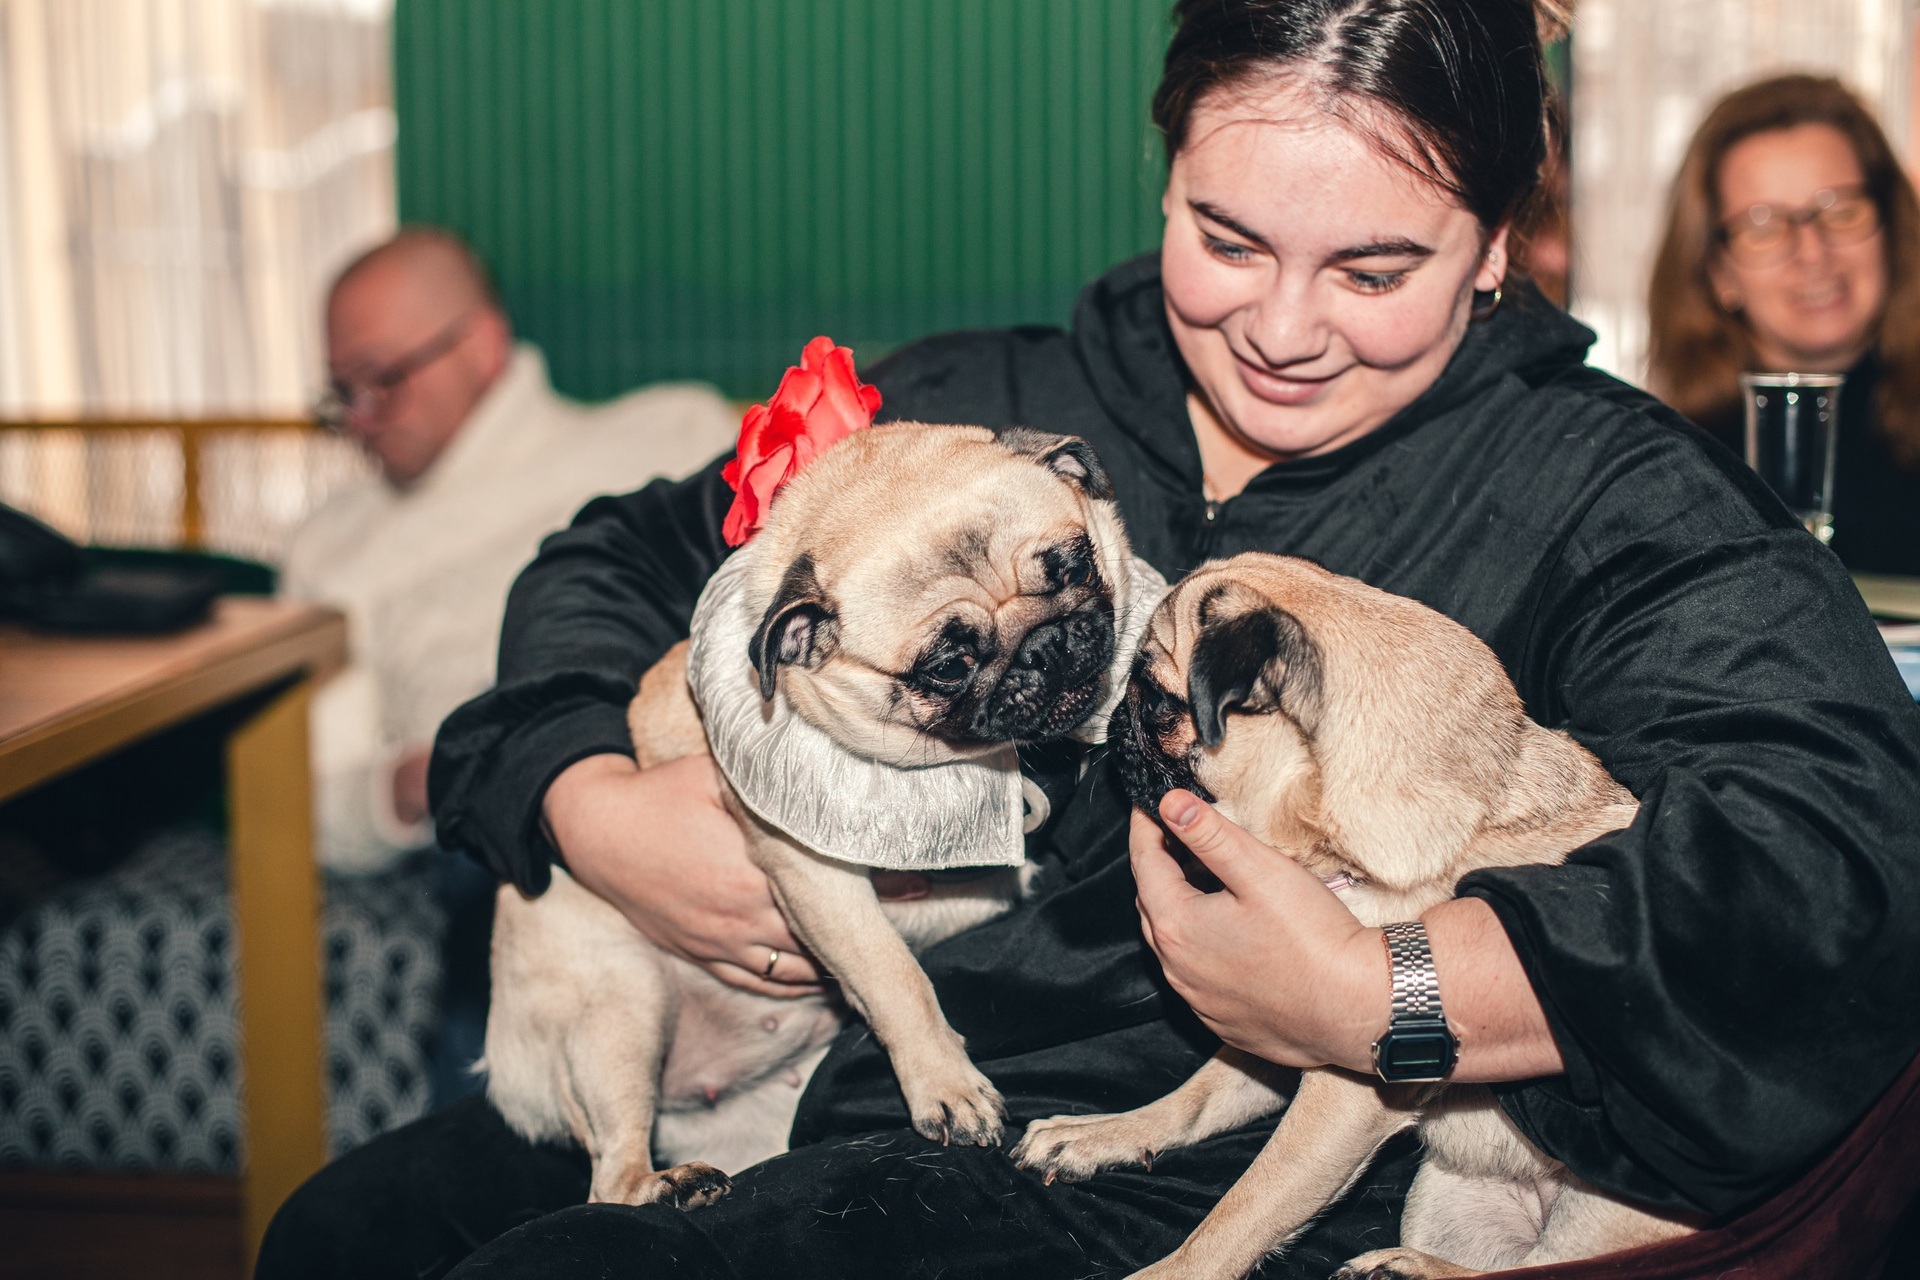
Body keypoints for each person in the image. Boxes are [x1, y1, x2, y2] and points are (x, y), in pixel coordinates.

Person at [259, 3, 1920, 1278]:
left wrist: (1386, 990)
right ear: (1164, 169)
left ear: (1500, 245)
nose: (1281, 328)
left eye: (1375, 268)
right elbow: (617, 557)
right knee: (337, 1237)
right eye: (1229, 239)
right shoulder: (981, 403)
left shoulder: (1604, 493)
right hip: (775, 1070)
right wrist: (591, 804)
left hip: (1149, 1171)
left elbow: (1841, 854)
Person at [282, 228, 739, 874]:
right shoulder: (330, 545)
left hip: (708, 757)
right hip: (499, 825)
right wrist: (414, 782)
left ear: (482, 346)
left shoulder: (673, 432)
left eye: (383, 378)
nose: (359, 418)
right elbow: (311, 798)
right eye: (343, 392)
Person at [1648, 73, 1920, 576]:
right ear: (1717, 271)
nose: (1813, 253)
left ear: (1891, 230)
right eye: (1764, 227)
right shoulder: (1671, 475)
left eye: (1842, 212)